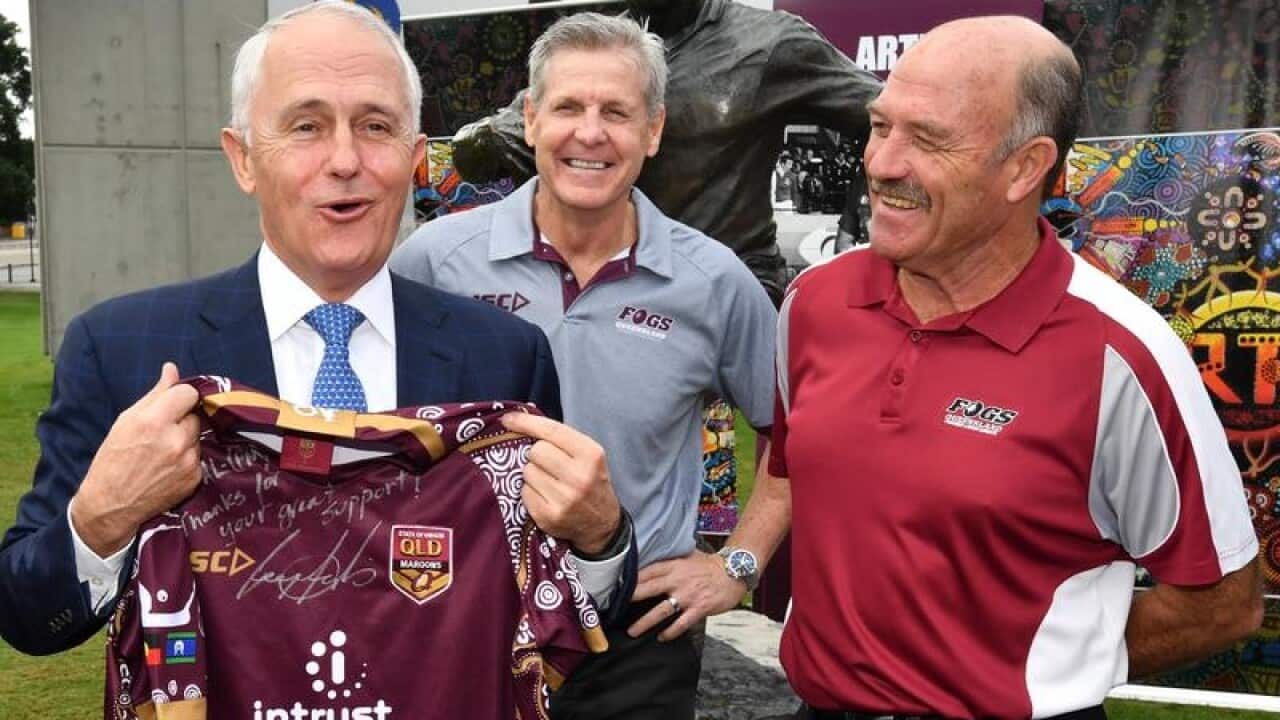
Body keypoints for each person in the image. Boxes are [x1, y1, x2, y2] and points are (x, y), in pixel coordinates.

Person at [633, 15, 1264, 720]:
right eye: (880, 127)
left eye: (927, 139)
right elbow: (791, 457)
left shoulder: (1123, 355)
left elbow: (1224, 604)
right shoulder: (815, 302)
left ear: (1025, 167)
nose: (881, 164)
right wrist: (738, 563)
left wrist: (1048, 665)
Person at [0, 1, 631, 658]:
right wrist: (99, 521)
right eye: (306, 126)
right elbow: (23, 612)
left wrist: (599, 540)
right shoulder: (123, 350)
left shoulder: (504, 357)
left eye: (375, 126)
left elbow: (568, 621)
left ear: (415, 158)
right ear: (242, 158)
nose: (344, 160)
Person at [390, 13, 777, 719]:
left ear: (653, 131)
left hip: (636, 638)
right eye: (568, 107)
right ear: (531, 119)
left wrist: (737, 565)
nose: (590, 133)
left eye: (617, 112)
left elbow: (796, 432)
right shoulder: (433, 263)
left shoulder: (713, 282)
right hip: (464, 614)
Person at [451, 0, 881, 306]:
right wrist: (493, 136)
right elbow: (475, 152)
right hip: (611, 275)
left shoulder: (770, 43)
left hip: (727, 284)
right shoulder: (602, 45)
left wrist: (857, 214)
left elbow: (887, 116)